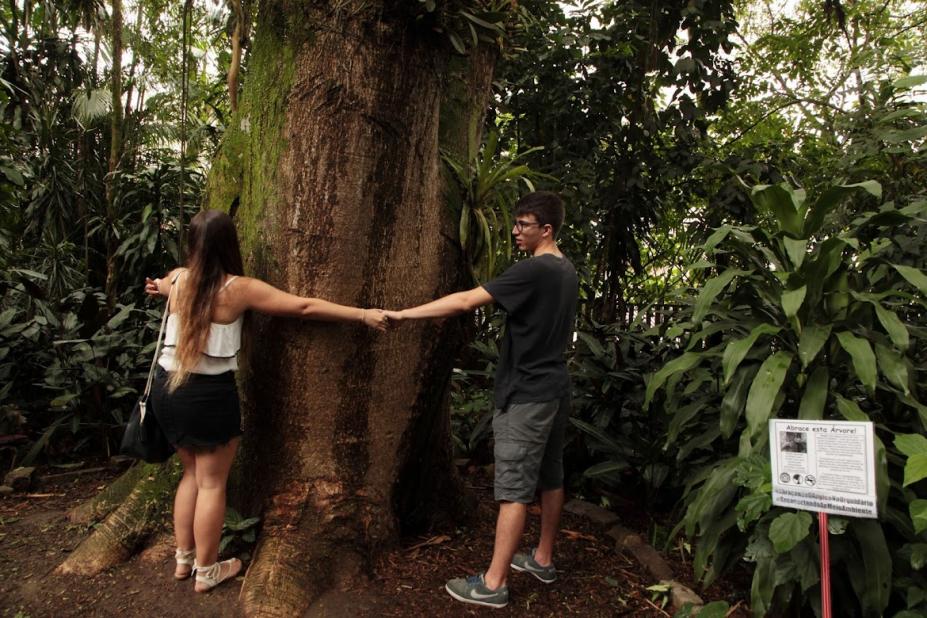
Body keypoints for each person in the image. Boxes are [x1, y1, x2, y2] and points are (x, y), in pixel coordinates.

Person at [144, 209, 388, 593]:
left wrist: (156, 286)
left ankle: (183, 559)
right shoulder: (239, 289)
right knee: (211, 483)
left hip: (165, 388)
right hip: (207, 395)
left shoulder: (177, 278)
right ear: (230, 243)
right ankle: (207, 572)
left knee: (191, 474)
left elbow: (159, 284)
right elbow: (304, 307)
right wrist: (362, 314)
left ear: (192, 244)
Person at [385, 191, 578, 609]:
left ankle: (493, 584)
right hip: (554, 388)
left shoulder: (536, 271)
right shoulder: (567, 270)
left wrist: (403, 315)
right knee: (550, 475)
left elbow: (466, 300)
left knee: (513, 490)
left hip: (526, 394)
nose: (515, 232)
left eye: (523, 224)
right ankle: (542, 558)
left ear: (546, 229)